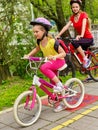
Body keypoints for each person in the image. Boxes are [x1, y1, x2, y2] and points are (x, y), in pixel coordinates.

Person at [24, 17, 66, 93]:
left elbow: (63, 53)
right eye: (34, 32)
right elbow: (37, 49)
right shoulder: (39, 42)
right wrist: (28, 55)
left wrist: (54, 56)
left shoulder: (52, 41)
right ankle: (58, 97)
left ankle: (60, 84)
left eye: (37, 32)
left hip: (59, 61)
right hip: (50, 62)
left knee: (43, 68)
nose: (35, 34)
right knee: (53, 85)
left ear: (43, 31)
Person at [56, 0, 94, 68]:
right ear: (71, 8)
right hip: (82, 39)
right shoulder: (72, 17)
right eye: (73, 7)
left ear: (79, 7)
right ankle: (84, 67)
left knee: (74, 42)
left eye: (76, 7)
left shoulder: (83, 15)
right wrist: (58, 35)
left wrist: (81, 35)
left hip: (88, 38)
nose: (75, 8)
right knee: (71, 47)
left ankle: (86, 59)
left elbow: (83, 25)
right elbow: (66, 27)